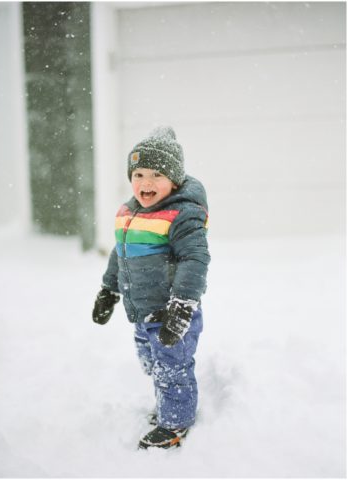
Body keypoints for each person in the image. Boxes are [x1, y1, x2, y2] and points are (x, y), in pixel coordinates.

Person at [92, 126, 210, 450]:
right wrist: (109, 290)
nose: (146, 182)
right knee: (152, 362)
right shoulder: (129, 214)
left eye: (157, 174)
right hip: (143, 312)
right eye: (139, 173)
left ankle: (175, 423)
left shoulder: (181, 214)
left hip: (172, 311)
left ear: (174, 179)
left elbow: (195, 259)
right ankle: (166, 405)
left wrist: (182, 305)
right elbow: (122, 252)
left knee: (173, 367)